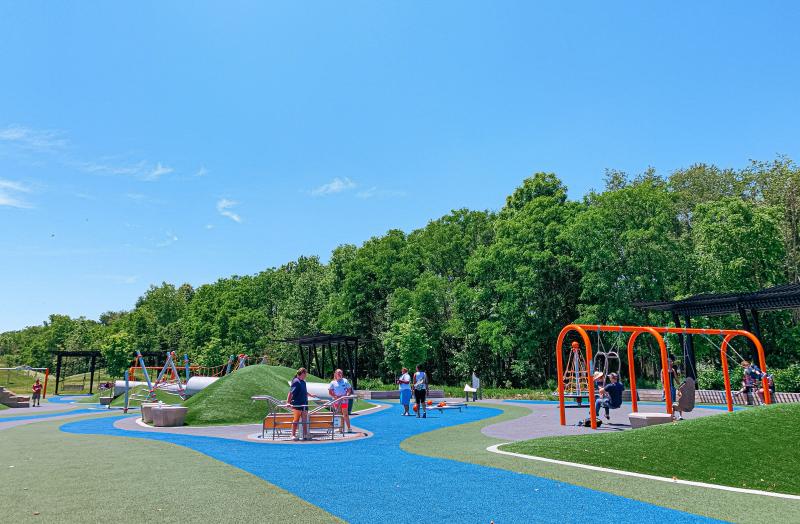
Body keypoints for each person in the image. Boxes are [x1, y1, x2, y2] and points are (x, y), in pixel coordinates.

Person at [287, 367, 309, 441]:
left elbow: (304, 391)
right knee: (296, 420)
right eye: (305, 373)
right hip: (297, 404)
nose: (306, 375)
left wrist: (311, 395)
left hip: (304, 404)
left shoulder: (303, 382)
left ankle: (305, 434)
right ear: (302, 373)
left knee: (304, 420)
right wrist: (288, 402)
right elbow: (290, 392)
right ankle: (292, 435)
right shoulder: (296, 381)